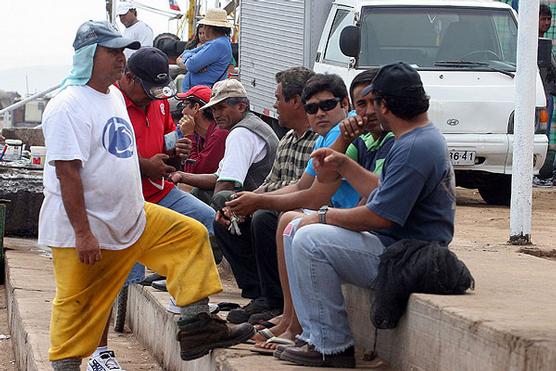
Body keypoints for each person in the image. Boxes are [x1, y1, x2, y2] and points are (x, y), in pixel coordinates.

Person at [39, 21, 254, 371]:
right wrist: (82, 233)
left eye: (123, 51)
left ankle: (196, 328)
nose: (121, 59)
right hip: (85, 228)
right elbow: (67, 173)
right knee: (75, 308)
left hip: (130, 216)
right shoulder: (67, 105)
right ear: (89, 56)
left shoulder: (110, 97)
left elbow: (118, 154)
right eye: (112, 52)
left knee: (190, 235)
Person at [278, 62, 455, 368]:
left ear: (385, 105)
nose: (369, 111)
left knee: (308, 238)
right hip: (402, 248)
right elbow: (380, 190)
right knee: (295, 228)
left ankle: (330, 346)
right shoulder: (415, 137)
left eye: (374, 102)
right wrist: (343, 164)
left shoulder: (415, 145)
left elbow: (380, 217)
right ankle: (312, 335)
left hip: (408, 256)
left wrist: (322, 217)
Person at [85, 47, 221, 370]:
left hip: (160, 192)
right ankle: (98, 353)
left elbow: (161, 144)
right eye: (147, 90)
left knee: (206, 224)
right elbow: (103, 155)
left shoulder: (158, 102)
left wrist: (176, 149)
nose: (153, 98)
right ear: (128, 78)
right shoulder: (110, 102)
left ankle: (187, 306)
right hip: (123, 198)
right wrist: (146, 165)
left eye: (158, 92)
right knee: (113, 276)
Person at [248, 69, 395, 353]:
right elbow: (320, 179)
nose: (319, 114)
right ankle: (294, 321)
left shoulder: (391, 141)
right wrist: (255, 198)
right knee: (289, 221)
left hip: (388, 242)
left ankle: (324, 341)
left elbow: (318, 195)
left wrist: (259, 201)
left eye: (327, 105)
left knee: (296, 225)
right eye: (312, 108)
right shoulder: (356, 139)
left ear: (343, 106)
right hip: (364, 227)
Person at [212, 67, 318, 324]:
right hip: (276, 203)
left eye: (279, 98)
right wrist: (239, 204)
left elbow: (303, 189)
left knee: (262, 217)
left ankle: (274, 301)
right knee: (225, 211)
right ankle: (257, 293)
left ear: (295, 102)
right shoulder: (289, 138)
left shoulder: (318, 140)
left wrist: (256, 200)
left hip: (302, 210)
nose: (275, 105)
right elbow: (270, 182)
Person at [170, 79, 278, 203]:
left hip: (260, 203)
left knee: (214, 197)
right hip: (260, 197)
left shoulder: (241, 133)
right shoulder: (246, 125)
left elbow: (226, 184)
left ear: (241, 106)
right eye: (214, 109)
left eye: (221, 108)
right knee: (198, 192)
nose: (216, 115)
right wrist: (182, 176)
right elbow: (218, 176)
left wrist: (216, 215)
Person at [175, 85, 229, 174]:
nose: (182, 112)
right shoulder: (203, 136)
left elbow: (196, 173)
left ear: (196, 108)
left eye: (184, 105)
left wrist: (188, 136)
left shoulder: (219, 134)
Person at [177, 9, 233, 91]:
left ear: (209, 28)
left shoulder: (218, 44)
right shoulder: (220, 42)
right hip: (200, 92)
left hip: (201, 94)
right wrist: (190, 56)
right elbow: (187, 54)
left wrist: (188, 57)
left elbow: (191, 65)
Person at [534, 4, 556, 187]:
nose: (546, 23)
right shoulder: (531, 43)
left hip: (547, 95)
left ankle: (540, 174)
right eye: (543, 19)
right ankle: (536, 173)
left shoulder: (545, 43)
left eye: (548, 19)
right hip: (538, 96)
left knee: (544, 135)